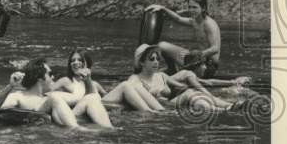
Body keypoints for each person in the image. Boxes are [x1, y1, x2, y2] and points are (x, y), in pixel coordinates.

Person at [103, 44, 240, 113]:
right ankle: (224, 110)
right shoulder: (134, 80)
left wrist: (185, 80)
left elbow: (184, 86)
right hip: (161, 109)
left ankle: (228, 107)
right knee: (190, 94)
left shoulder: (161, 76)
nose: (156, 61)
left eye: (157, 58)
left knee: (192, 93)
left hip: (169, 105)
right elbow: (130, 98)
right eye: (152, 59)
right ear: (142, 62)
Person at [147, 0, 247, 85]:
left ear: (203, 8)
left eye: (194, 7)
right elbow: (178, 18)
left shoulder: (209, 24)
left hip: (208, 65)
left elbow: (215, 48)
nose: (191, 10)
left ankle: (186, 71)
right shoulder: (194, 21)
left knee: (185, 73)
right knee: (161, 45)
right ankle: (172, 69)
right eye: (189, 7)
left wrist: (197, 55)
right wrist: (163, 9)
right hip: (197, 59)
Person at [0, 57, 83, 128]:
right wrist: (10, 86)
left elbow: (79, 97)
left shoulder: (51, 96)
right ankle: (77, 130)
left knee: (90, 99)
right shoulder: (19, 96)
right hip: (33, 131)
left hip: (56, 130)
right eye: (50, 74)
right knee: (54, 98)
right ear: (40, 78)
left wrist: (84, 77)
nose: (53, 77)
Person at [48, 48, 113, 128]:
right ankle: (109, 129)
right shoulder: (66, 81)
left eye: (80, 60)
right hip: (74, 117)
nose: (75, 62)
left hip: (94, 117)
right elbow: (48, 92)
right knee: (90, 98)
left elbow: (107, 99)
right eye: (72, 60)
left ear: (87, 64)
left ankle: (108, 128)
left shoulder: (95, 84)